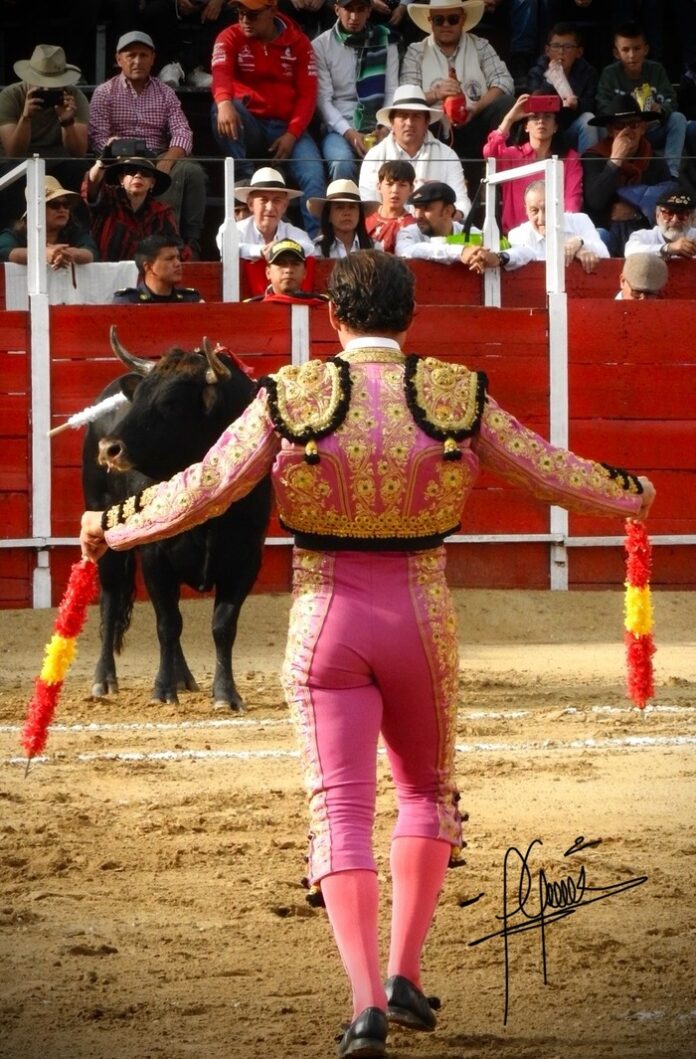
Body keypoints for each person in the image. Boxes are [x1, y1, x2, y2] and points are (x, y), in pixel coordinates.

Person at [80, 249, 654, 1059]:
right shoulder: (455, 392)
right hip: (422, 616)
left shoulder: (291, 393)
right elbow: (545, 470)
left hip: (327, 621)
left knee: (340, 810)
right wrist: (631, 494)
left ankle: (365, 1007)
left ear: (332, 316)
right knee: (424, 793)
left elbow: (207, 485)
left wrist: (115, 524)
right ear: (409, 315)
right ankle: (405, 972)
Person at [88, 30, 208, 260]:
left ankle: (186, 245)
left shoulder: (165, 92)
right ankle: (155, 245)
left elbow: (183, 132)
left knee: (191, 171)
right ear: (118, 59)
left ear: (153, 58)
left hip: (157, 155)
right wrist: (120, 155)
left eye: (143, 55)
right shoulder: (104, 93)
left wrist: (166, 161)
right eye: (131, 55)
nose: (137, 61)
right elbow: (98, 138)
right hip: (120, 158)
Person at [210, 0, 326, 236]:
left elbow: (308, 95)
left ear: (273, 11)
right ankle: (245, 178)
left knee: (314, 175)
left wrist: (292, 134)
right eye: (240, 13)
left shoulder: (299, 42)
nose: (244, 20)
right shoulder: (229, 36)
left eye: (252, 15)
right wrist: (223, 102)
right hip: (249, 123)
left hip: (288, 127)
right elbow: (220, 74)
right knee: (221, 109)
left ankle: (318, 241)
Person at [400, 0, 515, 168]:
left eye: (453, 19)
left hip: (476, 123)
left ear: (463, 19)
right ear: (431, 21)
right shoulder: (416, 51)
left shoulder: (480, 45)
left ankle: (502, 169)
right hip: (434, 128)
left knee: (507, 104)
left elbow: (504, 82)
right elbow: (406, 97)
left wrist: (475, 108)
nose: (446, 25)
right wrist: (436, 94)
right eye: (439, 20)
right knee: (416, 117)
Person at [0, 44, 90, 228]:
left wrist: (67, 122)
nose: (47, 90)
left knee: (79, 169)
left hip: (59, 160)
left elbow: (78, 152)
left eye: (53, 85)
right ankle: (12, 232)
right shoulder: (10, 96)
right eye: (41, 84)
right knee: (10, 175)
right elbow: (13, 152)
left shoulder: (74, 96)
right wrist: (25, 118)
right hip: (19, 162)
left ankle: (76, 231)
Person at [312, 0, 399, 183]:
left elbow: (391, 90)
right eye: (348, 9)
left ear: (369, 11)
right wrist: (349, 132)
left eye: (360, 10)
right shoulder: (321, 45)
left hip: (378, 122)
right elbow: (323, 101)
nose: (354, 16)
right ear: (337, 9)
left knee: (393, 165)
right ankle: (344, 201)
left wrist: (383, 126)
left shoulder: (386, 39)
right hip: (339, 127)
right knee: (341, 162)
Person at [358, 84, 472, 218]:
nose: (409, 123)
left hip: (435, 229)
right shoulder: (375, 155)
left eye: (416, 116)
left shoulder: (447, 155)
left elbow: (461, 202)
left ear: (427, 121)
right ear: (391, 121)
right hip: (387, 228)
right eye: (403, 116)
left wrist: (449, 217)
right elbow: (368, 204)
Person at [582, 94, 672, 257]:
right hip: (607, 230)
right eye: (619, 126)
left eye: (633, 124)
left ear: (643, 128)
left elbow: (668, 202)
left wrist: (637, 214)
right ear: (610, 130)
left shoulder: (655, 160)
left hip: (645, 233)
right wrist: (615, 161)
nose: (627, 131)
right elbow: (594, 202)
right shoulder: (594, 157)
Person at [596, 21, 687, 178]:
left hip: (651, 128)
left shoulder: (656, 70)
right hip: (623, 131)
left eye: (637, 48)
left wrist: (661, 109)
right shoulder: (610, 74)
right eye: (625, 50)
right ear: (616, 53)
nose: (632, 55)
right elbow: (601, 105)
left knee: (678, 118)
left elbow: (671, 100)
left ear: (646, 49)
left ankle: (671, 174)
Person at [483, 91, 583, 234]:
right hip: (516, 238)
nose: (541, 121)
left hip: (557, 234)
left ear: (555, 126)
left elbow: (572, 202)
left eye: (547, 116)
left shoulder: (570, 158)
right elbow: (489, 153)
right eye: (535, 117)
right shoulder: (511, 155)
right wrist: (509, 119)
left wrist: (562, 233)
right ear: (526, 126)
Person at [82, 155, 185, 263]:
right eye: (131, 171)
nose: (138, 176)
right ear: (121, 179)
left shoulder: (162, 212)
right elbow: (92, 185)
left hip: (146, 271)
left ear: (152, 183)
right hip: (105, 270)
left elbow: (176, 246)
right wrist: (101, 164)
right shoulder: (107, 199)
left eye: (145, 173)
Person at [526, 21, 601, 153]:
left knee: (589, 120)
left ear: (579, 52)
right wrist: (551, 78)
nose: (561, 52)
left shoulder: (588, 73)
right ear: (547, 50)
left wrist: (577, 105)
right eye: (556, 46)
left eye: (568, 47)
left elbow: (592, 105)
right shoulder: (536, 72)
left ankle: (589, 164)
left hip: (572, 129)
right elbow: (534, 104)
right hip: (546, 130)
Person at [507, 178, 609, 272]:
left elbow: (605, 255)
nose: (541, 218)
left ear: (559, 206)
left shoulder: (580, 220)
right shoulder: (518, 235)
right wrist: (574, 254)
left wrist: (580, 242)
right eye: (534, 210)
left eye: (547, 209)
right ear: (526, 210)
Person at [220, 167, 316, 260]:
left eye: (277, 201)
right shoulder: (233, 230)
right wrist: (261, 251)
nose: (270, 208)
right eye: (263, 200)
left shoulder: (294, 232)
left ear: (285, 206)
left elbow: (310, 248)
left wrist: (281, 247)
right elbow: (228, 248)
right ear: (250, 204)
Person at [0, 174, 98, 266]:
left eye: (66, 204)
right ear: (36, 210)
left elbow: (91, 252)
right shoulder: (16, 234)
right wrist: (43, 254)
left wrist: (64, 254)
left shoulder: (73, 232)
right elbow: (3, 251)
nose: (62, 209)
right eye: (55, 205)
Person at [394, 178, 488, 263]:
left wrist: (485, 257)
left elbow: (494, 246)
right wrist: (461, 252)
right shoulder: (408, 233)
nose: (418, 215)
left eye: (426, 208)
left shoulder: (471, 234)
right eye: (416, 208)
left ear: (447, 211)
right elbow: (405, 251)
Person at [112, 234, 203, 303]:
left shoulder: (191, 300)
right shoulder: (128, 302)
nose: (178, 264)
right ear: (148, 267)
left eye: (178, 258)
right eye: (169, 259)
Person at [243, 237, 328, 303]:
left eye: (295, 264)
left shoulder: (323, 304)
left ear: (304, 273)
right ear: (268, 272)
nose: (288, 270)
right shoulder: (252, 307)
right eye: (281, 264)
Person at [309, 178, 378, 257]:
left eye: (352, 207)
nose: (347, 213)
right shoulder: (316, 249)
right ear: (328, 215)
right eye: (340, 207)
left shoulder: (374, 247)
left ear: (359, 214)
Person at [624, 187, 696, 259]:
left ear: (692, 218)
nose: (674, 220)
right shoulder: (644, 236)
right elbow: (630, 251)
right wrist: (667, 248)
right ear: (657, 216)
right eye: (668, 214)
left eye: (682, 215)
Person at [364, 159, 418, 253]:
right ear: (379, 187)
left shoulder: (413, 226)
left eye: (402, 185)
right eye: (389, 184)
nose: (395, 190)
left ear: (411, 190)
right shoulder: (363, 219)